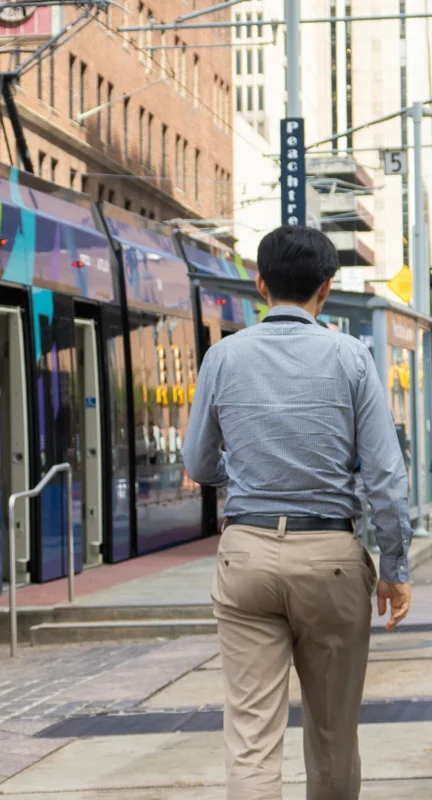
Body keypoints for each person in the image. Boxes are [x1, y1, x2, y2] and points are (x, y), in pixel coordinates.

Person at [183, 225, 412, 800]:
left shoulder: (222, 357)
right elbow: (386, 477)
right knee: (334, 734)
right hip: (330, 558)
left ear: (261, 284)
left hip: (247, 558)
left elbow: (199, 461)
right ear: (327, 289)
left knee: (251, 735)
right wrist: (395, 568)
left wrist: (247, 474)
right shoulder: (352, 358)